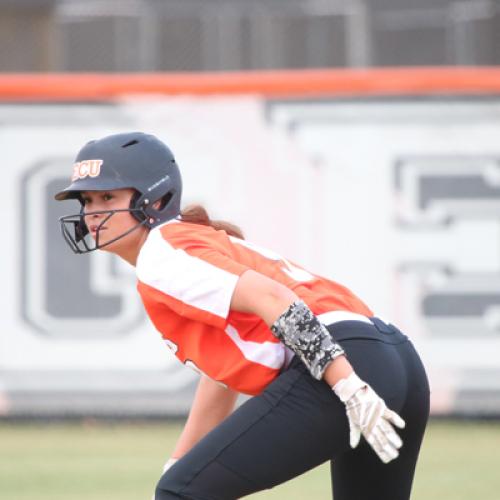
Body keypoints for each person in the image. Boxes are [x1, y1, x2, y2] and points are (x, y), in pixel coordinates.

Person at [55, 132, 430, 500]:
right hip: (395, 358)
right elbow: (220, 381)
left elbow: (274, 298)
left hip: (346, 363)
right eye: (87, 200)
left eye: (108, 197)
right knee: (180, 485)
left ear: (155, 200)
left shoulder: (161, 254)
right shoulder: (187, 241)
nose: (92, 213)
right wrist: (179, 463)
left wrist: (349, 385)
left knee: (180, 493)